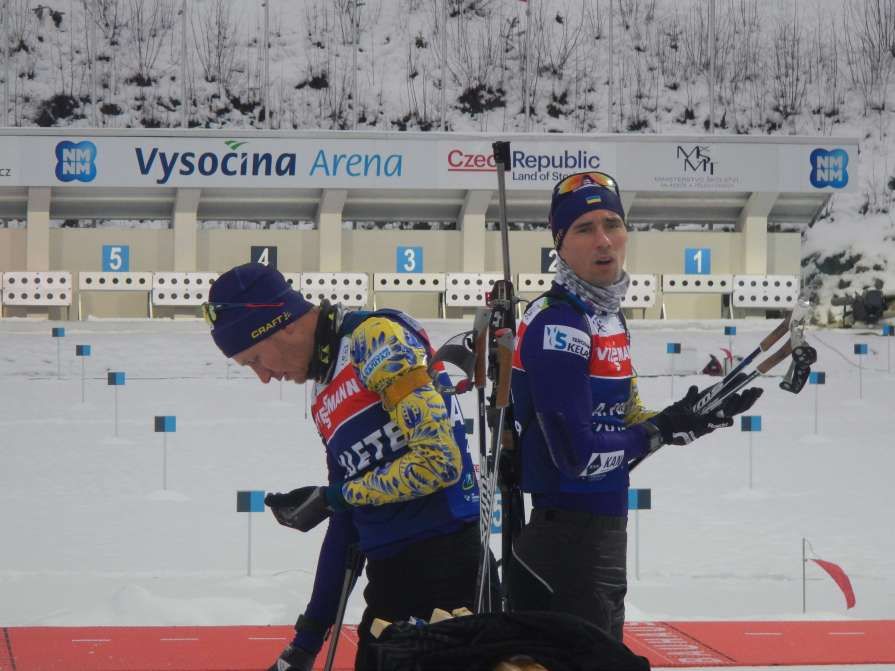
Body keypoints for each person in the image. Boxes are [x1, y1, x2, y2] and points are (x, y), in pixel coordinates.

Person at [509, 172, 763, 641]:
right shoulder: (559, 323)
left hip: (600, 537)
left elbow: (625, 423)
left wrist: (693, 416)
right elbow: (578, 457)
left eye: (613, 223)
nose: (604, 240)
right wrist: (659, 430)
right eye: (585, 229)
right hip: (563, 546)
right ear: (559, 245)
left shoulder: (607, 316)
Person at [203, 263, 481, 671]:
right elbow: (346, 520)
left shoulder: (376, 339)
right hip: (390, 578)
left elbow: (439, 463)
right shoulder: (323, 392)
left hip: (446, 569)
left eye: (255, 359)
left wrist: (335, 496)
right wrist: (307, 641)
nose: (263, 377)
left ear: (283, 326)